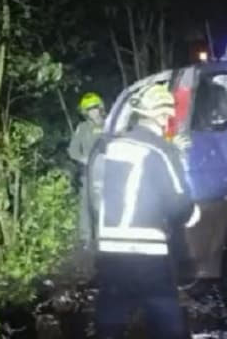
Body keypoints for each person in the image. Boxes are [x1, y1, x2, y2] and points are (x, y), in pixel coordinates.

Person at [91, 84, 193, 339]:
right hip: (148, 255)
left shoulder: (112, 147)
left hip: (111, 252)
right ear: (163, 116)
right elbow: (178, 206)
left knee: (110, 321)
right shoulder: (161, 150)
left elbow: (95, 193)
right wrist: (194, 214)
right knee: (168, 322)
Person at [68, 92, 106, 245]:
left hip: (109, 172)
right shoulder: (82, 128)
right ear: (85, 112)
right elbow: (72, 150)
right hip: (88, 174)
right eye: (89, 109)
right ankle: (85, 238)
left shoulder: (110, 124)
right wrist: (82, 159)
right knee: (86, 205)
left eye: (95, 108)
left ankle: (103, 236)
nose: (93, 112)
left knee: (106, 206)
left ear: (100, 108)